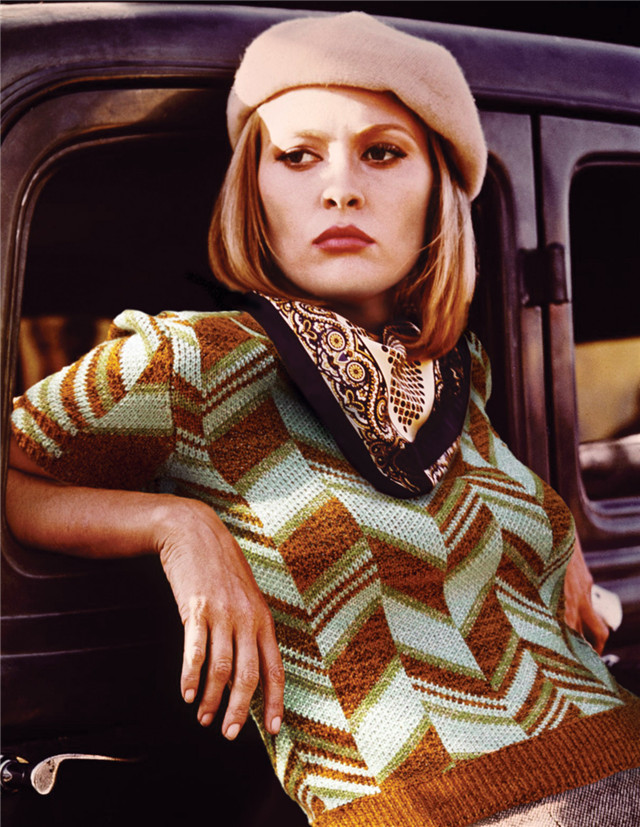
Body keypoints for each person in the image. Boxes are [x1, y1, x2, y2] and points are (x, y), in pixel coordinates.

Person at [6, 12, 639, 827]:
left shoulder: (459, 369)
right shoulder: (191, 360)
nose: (339, 187)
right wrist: (177, 524)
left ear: (438, 194)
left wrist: (551, 528)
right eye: (297, 156)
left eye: (382, 152)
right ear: (254, 192)